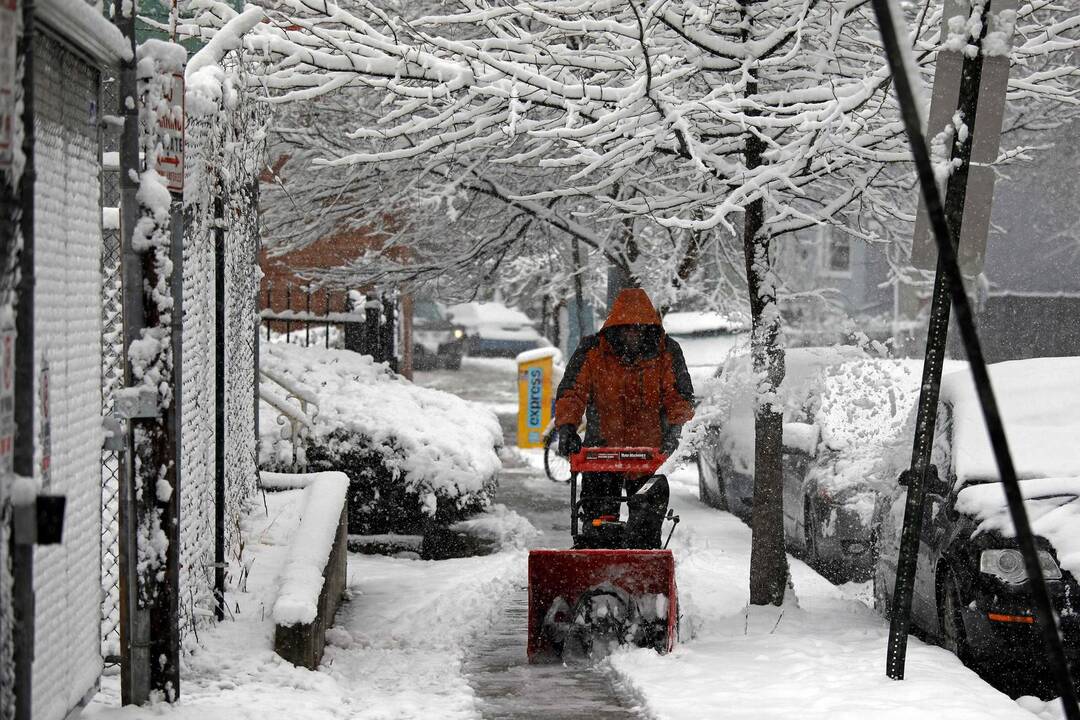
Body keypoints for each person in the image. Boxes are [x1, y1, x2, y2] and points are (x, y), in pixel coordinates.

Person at [553, 288, 695, 549]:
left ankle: (642, 565)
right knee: (598, 525)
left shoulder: (666, 353)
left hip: (648, 453)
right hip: (601, 452)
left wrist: (677, 428)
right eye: (627, 329)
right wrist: (566, 427)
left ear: (648, 330)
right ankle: (598, 557)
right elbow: (572, 391)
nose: (632, 335)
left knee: (645, 529)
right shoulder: (593, 351)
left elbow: (679, 397)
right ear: (615, 328)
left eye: (638, 329)